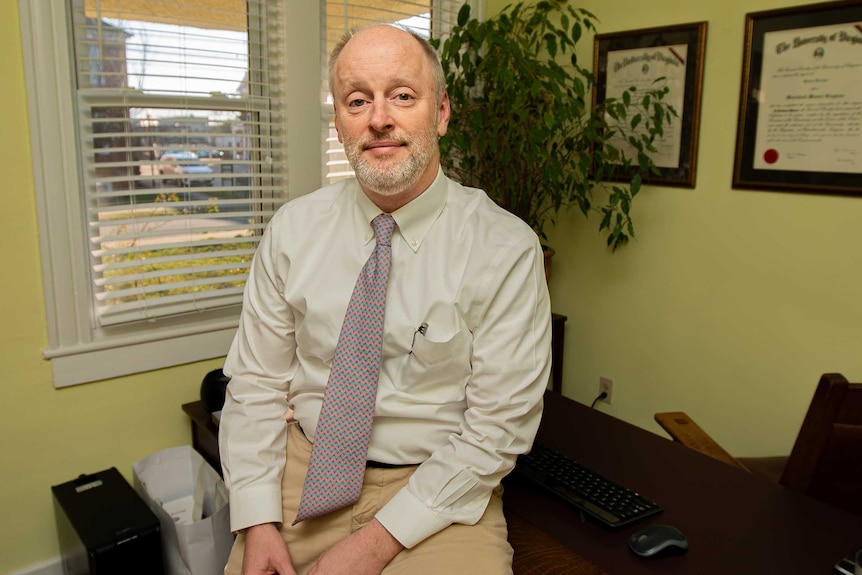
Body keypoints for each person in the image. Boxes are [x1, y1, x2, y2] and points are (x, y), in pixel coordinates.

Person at [218, 23, 551, 575]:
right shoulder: (291, 232)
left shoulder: (505, 248)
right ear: (339, 122)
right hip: (301, 468)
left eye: (402, 95)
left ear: (440, 112)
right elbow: (255, 386)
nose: (379, 118)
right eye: (357, 100)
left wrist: (371, 547)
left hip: (438, 483)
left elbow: (496, 430)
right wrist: (256, 521)